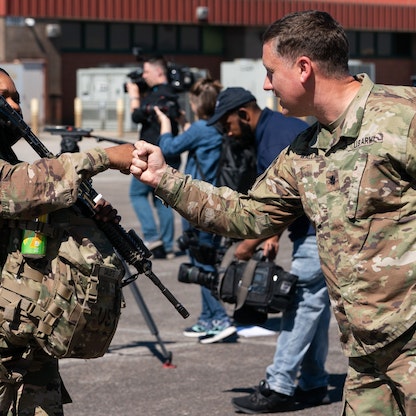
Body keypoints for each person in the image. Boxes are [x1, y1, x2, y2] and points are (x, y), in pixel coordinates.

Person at [131, 9, 416, 416]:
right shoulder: (305, 150)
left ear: (303, 68)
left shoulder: (404, 118)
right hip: (366, 357)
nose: (265, 84)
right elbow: (246, 215)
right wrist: (166, 179)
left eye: (270, 71)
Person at [0, 68, 134, 415]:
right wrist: (102, 157)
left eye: (15, 97)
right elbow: (21, 187)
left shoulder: (10, 159)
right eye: (2, 98)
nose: (14, 106)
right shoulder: (15, 172)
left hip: (26, 333)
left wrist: (85, 219)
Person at [205, 86, 331, 412]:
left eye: (227, 123)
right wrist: (272, 235)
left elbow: (284, 205)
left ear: (244, 114)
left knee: (300, 305)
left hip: (319, 234)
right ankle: (314, 383)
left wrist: (250, 244)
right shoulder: (277, 129)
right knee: (312, 309)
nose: (226, 131)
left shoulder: (275, 141)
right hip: (318, 230)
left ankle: (279, 386)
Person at [154, 77, 236, 343]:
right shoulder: (219, 126)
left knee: (202, 264)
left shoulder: (201, 127)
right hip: (217, 202)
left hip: (198, 205)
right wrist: (181, 124)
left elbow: (168, 148)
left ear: (198, 104)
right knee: (205, 262)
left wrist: (165, 125)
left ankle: (219, 319)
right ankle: (208, 318)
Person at [126, 56, 181, 259]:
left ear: (159, 72)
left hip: (151, 154)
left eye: (146, 72)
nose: (143, 76)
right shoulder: (172, 94)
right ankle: (167, 246)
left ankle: (152, 236)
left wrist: (134, 96)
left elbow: (136, 116)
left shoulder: (157, 96)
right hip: (171, 152)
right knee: (161, 199)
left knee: (137, 194)